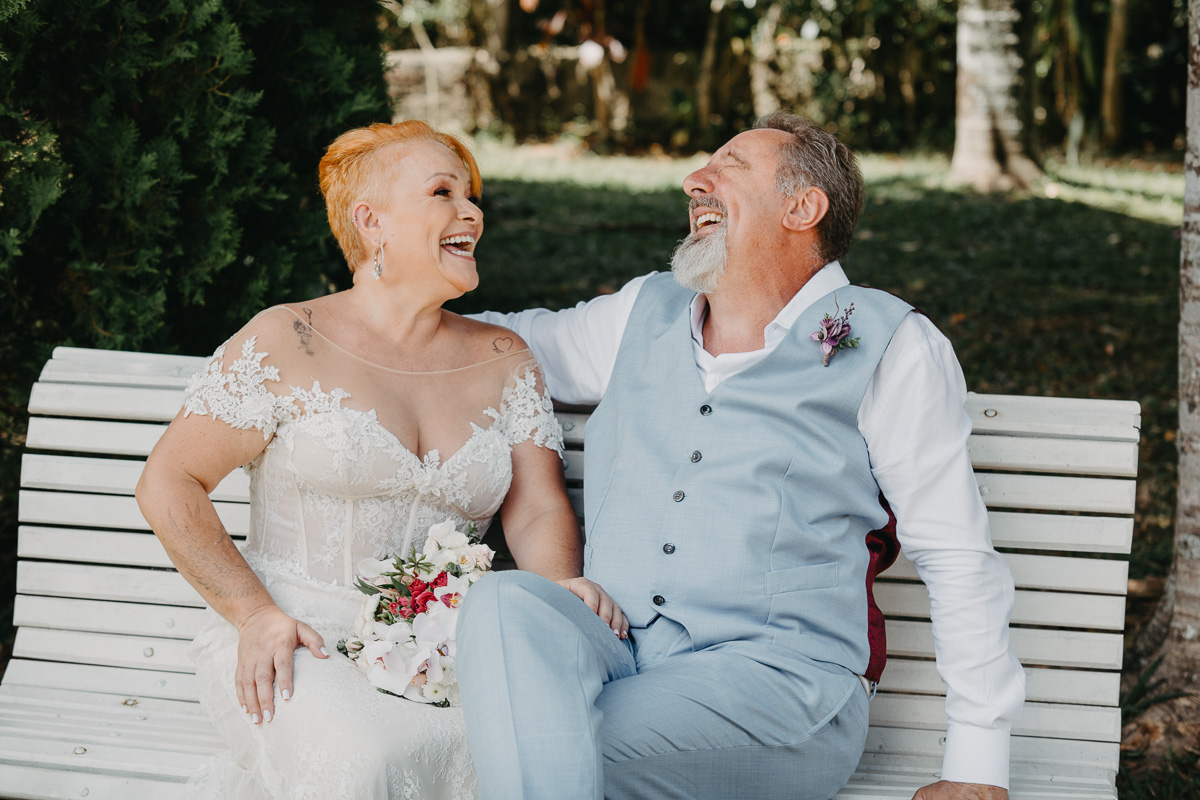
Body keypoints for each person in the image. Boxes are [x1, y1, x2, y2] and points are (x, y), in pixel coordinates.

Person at [456, 111, 1025, 800]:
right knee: (504, 601)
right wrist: (365, 320)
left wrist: (977, 765)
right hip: (615, 653)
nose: (694, 180)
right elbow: (489, 347)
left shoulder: (889, 345)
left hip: (780, 686)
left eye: (728, 166)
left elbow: (955, 553)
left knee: (544, 747)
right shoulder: (642, 311)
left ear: (802, 208)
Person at [135, 120, 626, 800]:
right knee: (370, 759)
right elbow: (169, 481)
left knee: (514, 747)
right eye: (443, 192)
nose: (471, 212)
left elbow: (538, 506)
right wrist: (252, 614)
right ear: (372, 222)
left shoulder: (503, 358)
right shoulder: (286, 339)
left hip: (445, 647)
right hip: (294, 638)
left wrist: (558, 587)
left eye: (472, 196)